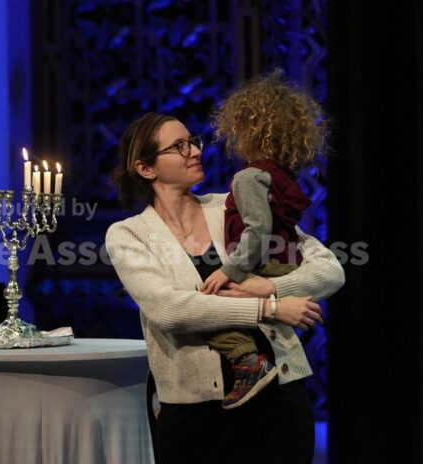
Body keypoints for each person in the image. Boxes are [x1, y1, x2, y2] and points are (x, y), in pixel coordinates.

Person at [106, 111, 344, 463]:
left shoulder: (232, 205)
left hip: (280, 399)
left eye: (193, 141)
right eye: (179, 146)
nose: (195, 151)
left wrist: (271, 287)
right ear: (145, 168)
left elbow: (330, 269)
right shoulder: (128, 234)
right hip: (196, 414)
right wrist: (269, 309)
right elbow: (171, 310)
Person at [199, 70, 329, 409]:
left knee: (208, 307)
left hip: (266, 264)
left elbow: (257, 231)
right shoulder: (281, 177)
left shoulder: (249, 177)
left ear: (249, 132)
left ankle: (248, 363)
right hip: (285, 262)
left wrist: (229, 271)